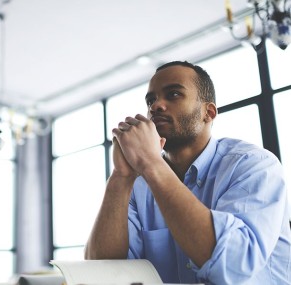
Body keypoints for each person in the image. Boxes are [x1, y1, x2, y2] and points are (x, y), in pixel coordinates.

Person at [84, 61, 291, 284]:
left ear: (208, 113)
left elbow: (233, 265)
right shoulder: (138, 184)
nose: (155, 106)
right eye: (151, 100)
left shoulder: (253, 165)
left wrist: (152, 163)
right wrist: (121, 176)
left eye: (173, 94)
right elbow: (101, 273)